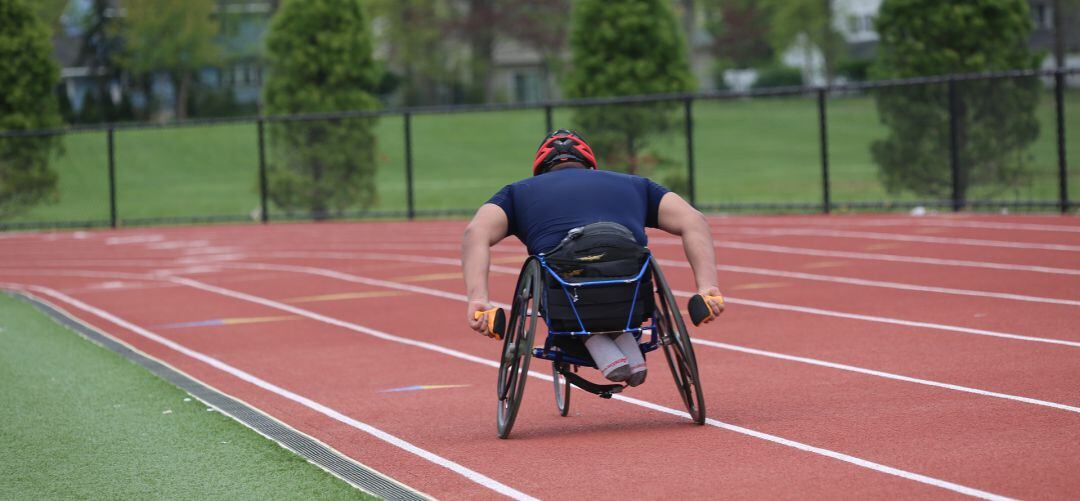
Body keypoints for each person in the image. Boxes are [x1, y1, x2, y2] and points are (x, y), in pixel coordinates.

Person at [462, 129, 723, 386]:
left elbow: (476, 232)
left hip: (567, 298)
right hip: (630, 294)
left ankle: (594, 342)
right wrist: (707, 287)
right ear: (590, 165)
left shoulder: (517, 192)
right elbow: (694, 220)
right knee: (621, 265)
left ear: (540, 170)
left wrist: (478, 299)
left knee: (550, 270)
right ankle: (623, 341)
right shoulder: (635, 184)